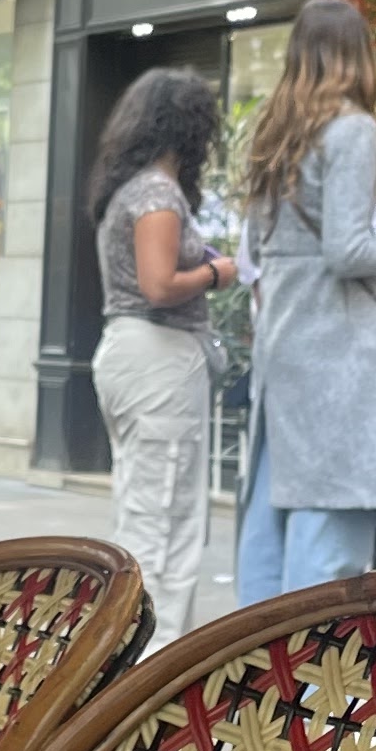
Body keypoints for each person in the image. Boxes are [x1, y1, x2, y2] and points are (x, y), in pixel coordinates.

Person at [237, 0, 376, 596]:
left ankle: (253, 651)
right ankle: (307, 655)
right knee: (331, 538)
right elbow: (347, 252)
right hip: (337, 348)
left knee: (272, 525)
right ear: (358, 55)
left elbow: (261, 248)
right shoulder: (352, 129)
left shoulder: (276, 132)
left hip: (285, 340)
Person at [88, 68, 237, 643]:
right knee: (166, 525)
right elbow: (158, 284)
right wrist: (217, 273)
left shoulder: (128, 189)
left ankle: (127, 653)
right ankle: (154, 664)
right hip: (159, 360)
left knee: (142, 511)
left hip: (131, 355)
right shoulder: (157, 193)